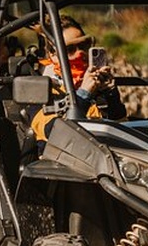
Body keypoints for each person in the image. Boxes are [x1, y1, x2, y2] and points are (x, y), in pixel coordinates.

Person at [28, 15, 126, 148]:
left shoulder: (96, 84)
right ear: (53, 54)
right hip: (60, 162)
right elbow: (54, 133)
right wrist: (84, 95)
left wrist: (110, 94)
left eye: (83, 45)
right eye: (70, 50)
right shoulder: (42, 90)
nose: (80, 53)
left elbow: (121, 128)